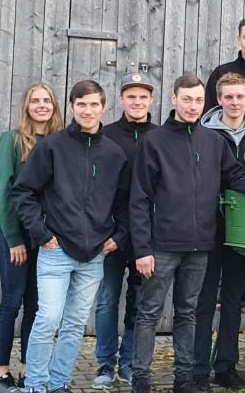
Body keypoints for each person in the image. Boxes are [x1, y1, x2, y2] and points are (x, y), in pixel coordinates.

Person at [129, 75, 245, 393]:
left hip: (199, 246)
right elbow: (139, 198)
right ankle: (141, 380)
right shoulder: (154, 141)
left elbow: (233, 173)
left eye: (198, 100)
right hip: (162, 246)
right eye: (187, 99)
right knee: (148, 314)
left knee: (188, 314)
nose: (193, 106)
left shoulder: (213, 141)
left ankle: (184, 380)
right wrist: (142, 249)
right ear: (174, 100)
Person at [12, 80, 131, 393]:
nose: (87, 111)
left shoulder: (114, 154)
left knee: (75, 323)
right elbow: (24, 191)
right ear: (72, 107)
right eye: (81, 105)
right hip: (56, 250)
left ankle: (59, 383)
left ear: (104, 107)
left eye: (93, 105)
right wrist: (41, 233)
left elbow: (125, 203)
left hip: (94, 255)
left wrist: (119, 235)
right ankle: (35, 385)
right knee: (49, 318)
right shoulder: (52, 147)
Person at [194, 73, 245, 390]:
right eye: (228, 97)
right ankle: (198, 369)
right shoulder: (203, 134)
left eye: (240, 96)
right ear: (219, 99)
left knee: (232, 300)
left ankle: (226, 367)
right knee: (203, 300)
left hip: (243, 230)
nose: (235, 102)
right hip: (208, 227)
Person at [0, 83, 63, 393]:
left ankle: (27, 369)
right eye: (35, 100)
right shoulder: (13, 140)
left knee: (36, 305)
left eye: (47, 100)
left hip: (47, 238)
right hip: (17, 237)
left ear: (55, 106)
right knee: (11, 302)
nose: (42, 105)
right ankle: (1, 375)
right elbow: (2, 189)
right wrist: (14, 238)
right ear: (27, 106)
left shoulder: (61, 142)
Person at [91, 73, 157, 390]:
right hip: (111, 235)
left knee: (140, 302)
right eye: (131, 96)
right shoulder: (105, 135)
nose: (137, 102)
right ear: (121, 100)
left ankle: (128, 362)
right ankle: (105, 363)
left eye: (143, 97)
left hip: (146, 236)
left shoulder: (160, 137)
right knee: (106, 300)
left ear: (151, 101)